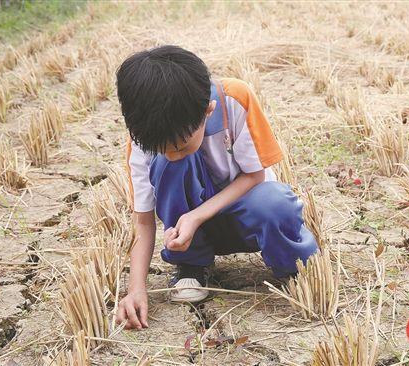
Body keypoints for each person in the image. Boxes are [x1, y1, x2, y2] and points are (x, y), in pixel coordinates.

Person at [114, 45, 318, 330]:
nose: (172, 153)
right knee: (169, 167)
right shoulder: (144, 136)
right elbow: (143, 222)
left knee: (275, 202)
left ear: (207, 111)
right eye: (163, 149)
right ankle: (191, 264)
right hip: (190, 234)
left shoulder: (234, 98)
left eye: (181, 146)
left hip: (249, 218)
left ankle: (292, 267)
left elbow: (255, 176)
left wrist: (196, 216)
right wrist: (136, 288)